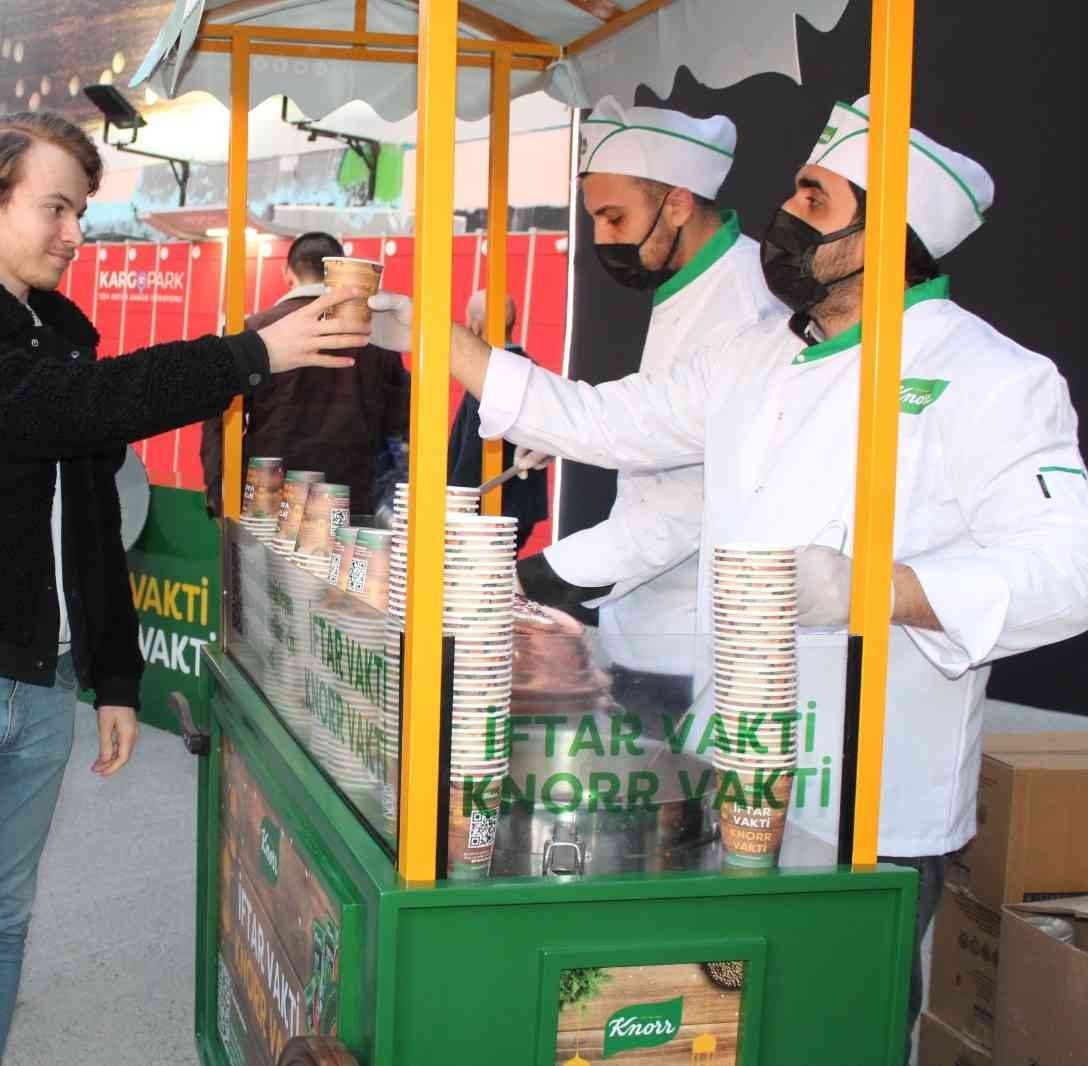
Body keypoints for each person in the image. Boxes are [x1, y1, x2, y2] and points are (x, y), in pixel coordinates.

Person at [374, 97, 1088, 1059]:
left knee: (841, 1027)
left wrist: (880, 589)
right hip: (735, 760)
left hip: (871, 798)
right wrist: (433, 335)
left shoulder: (994, 376)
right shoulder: (754, 357)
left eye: (813, 196)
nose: (784, 215)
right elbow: (593, 420)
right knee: (729, 1018)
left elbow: (1068, 567)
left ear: (887, 233)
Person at [0, 113, 367, 1066]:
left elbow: (89, 521)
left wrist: (112, 675)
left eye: (81, 210)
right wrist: (243, 357)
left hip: (38, 684)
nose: (76, 233)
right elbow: (64, 413)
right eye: (56, 208)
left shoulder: (54, 336)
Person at [514, 98, 783, 723]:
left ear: (679, 203)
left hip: (697, 636)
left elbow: (694, 501)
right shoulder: (690, 285)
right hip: (644, 618)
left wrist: (542, 576)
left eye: (615, 217)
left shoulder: (746, 301)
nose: (603, 239)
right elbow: (661, 426)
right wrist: (571, 439)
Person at [200, 230, 408, 517]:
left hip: (268, 497)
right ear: (340, 269)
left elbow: (218, 421)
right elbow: (399, 420)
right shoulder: (376, 337)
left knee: (264, 564)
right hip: (350, 499)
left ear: (288, 273)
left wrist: (218, 494)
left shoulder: (255, 329)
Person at [445, 291, 548, 553]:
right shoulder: (534, 371)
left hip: (484, 517)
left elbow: (471, 454)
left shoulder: (485, 378)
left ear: (475, 326)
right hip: (523, 510)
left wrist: (452, 510)